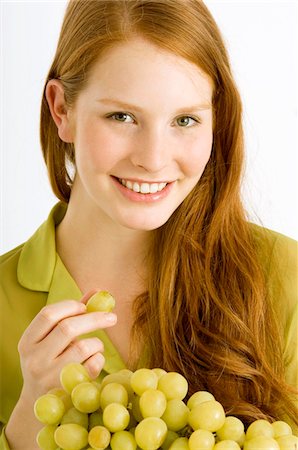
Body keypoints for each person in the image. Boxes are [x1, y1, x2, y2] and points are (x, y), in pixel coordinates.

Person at [0, 0, 297, 448]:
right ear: (62, 110)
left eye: (185, 120)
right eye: (122, 117)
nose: (153, 159)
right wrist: (23, 431)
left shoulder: (284, 275)